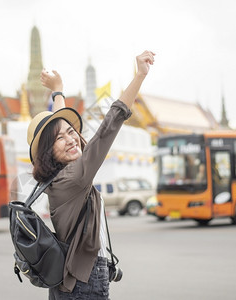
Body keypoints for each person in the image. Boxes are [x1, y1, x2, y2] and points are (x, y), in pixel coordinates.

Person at [27, 50, 155, 299]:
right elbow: (109, 125)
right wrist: (139, 76)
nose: (71, 138)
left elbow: (59, 126)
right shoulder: (74, 178)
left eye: (71, 131)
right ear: (48, 152)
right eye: (60, 139)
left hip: (70, 281)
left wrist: (58, 92)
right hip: (84, 284)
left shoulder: (57, 177)